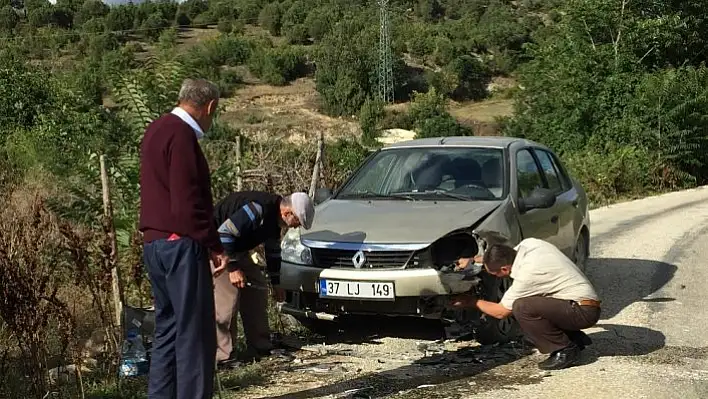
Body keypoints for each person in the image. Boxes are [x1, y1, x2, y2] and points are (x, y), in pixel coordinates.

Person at [139, 78, 230, 398]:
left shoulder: (155, 130)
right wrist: (213, 245)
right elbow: (187, 202)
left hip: (154, 244)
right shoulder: (181, 136)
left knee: (168, 329)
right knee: (195, 335)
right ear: (210, 107)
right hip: (180, 247)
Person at [451, 238, 601, 370]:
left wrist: (471, 301)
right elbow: (503, 255)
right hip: (579, 303)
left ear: (504, 269)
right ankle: (574, 338)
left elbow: (501, 312)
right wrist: (473, 260)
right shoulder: (530, 245)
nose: (496, 277)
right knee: (531, 303)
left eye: (495, 274)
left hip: (583, 312)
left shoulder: (527, 274)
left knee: (521, 307)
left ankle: (565, 350)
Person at [212, 190, 315, 369]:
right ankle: (223, 357)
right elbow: (224, 233)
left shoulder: (274, 221)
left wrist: (276, 283)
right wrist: (233, 268)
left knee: (257, 289)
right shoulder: (258, 209)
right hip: (217, 247)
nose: (296, 227)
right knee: (228, 297)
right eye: (298, 221)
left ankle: (260, 345)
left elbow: (273, 252)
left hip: (236, 249)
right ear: (287, 213)